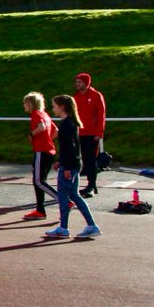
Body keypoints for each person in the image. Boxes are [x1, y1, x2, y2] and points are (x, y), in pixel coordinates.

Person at [43, 95, 101, 240]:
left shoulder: (66, 124)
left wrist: (66, 166)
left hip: (70, 166)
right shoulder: (71, 123)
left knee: (63, 195)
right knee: (75, 195)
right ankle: (92, 225)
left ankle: (63, 228)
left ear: (62, 106)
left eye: (55, 106)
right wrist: (61, 161)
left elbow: (70, 147)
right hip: (73, 163)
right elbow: (71, 148)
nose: (53, 108)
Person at [22, 92, 58, 221]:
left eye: (25, 103)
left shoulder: (36, 114)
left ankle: (64, 201)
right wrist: (47, 140)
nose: (24, 105)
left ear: (31, 103)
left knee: (38, 181)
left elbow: (41, 127)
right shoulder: (45, 114)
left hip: (41, 151)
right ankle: (40, 209)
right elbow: (55, 131)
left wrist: (32, 135)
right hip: (48, 150)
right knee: (39, 181)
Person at [73, 72, 107, 197]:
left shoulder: (96, 96)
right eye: (76, 82)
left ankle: (91, 186)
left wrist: (99, 132)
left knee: (91, 159)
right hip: (79, 133)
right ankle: (89, 185)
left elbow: (101, 115)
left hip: (91, 133)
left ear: (86, 83)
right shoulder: (76, 97)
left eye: (80, 82)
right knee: (83, 160)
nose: (77, 84)